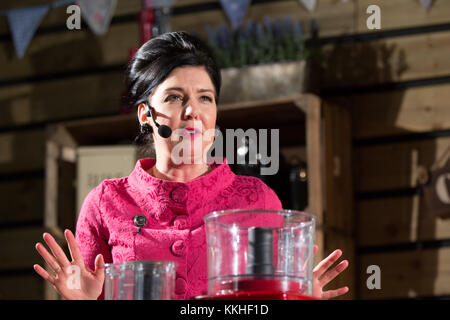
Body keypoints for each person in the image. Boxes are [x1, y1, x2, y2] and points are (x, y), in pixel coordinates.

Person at [33, 31, 349, 300]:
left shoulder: (259, 201)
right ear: (146, 115)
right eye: (174, 97)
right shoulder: (104, 203)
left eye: (205, 98)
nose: (192, 112)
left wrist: (293, 297)